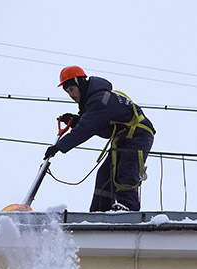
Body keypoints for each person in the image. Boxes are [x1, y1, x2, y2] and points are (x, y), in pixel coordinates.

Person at [45, 66, 156, 212]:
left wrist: (59, 146)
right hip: (124, 136)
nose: (71, 95)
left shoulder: (100, 100)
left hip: (138, 135)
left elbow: (86, 129)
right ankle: (99, 211)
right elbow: (104, 131)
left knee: (126, 170)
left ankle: (128, 207)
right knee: (105, 173)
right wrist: (77, 121)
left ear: (80, 83)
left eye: (72, 89)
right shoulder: (96, 100)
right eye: (68, 92)